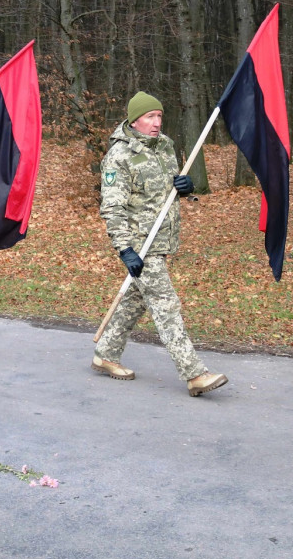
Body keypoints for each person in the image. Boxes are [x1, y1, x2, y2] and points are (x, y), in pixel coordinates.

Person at [92, 91, 228, 397]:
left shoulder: (165, 146)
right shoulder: (118, 156)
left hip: (161, 238)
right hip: (139, 243)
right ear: (134, 120)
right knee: (165, 304)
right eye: (150, 117)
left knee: (135, 300)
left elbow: (165, 190)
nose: (156, 122)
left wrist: (184, 186)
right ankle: (195, 374)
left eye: (159, 116)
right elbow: (112, 208)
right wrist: (125, 249)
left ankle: (106, 354)